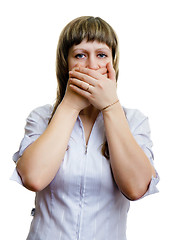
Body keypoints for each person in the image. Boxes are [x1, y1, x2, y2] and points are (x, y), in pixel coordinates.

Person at [11, 16, 159, 240]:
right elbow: (34, 178)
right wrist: (70, 105)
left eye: (101, 55)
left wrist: (110, 106)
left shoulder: (134, 121)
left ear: (113, 63)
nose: (91, 65)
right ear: (66, 64)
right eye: (80, 55)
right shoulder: (41, 118)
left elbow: (136, 188)